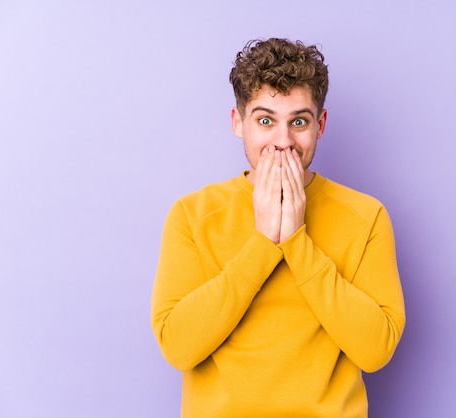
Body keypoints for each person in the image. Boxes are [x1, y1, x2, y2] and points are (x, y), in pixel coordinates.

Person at [151, 37, 406, 418]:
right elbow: (178, 347)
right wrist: (262, 242)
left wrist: (295, 241)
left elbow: (375, 351)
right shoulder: (192, 214)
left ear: (319, 124)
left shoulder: (366, 215)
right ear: (239, 123)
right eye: (266, 120)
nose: (283, 142)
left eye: (298, 121)